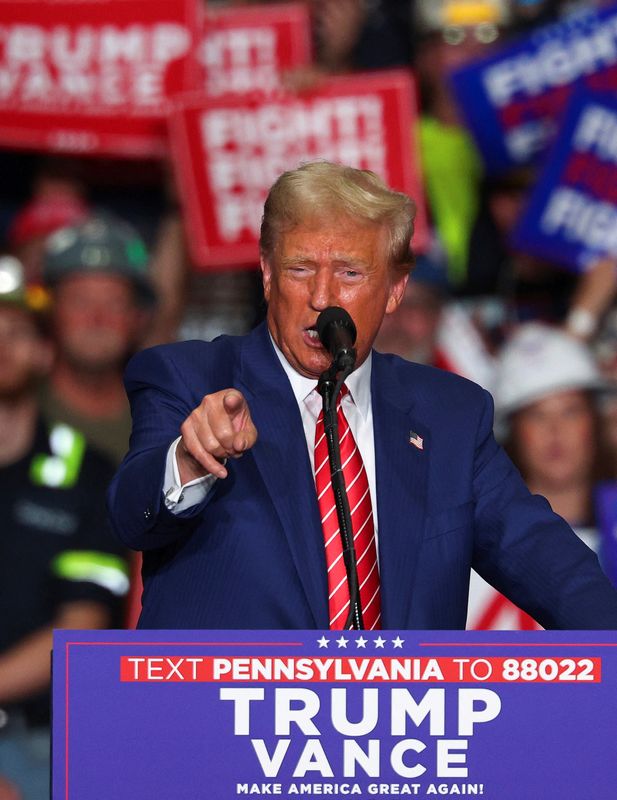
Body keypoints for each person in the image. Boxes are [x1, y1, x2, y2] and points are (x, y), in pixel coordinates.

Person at [108, 160, 617, 630]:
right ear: (267, 274)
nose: (322, 297)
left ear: (395, 288)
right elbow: (132, 514)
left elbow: (549, 563)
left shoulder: (450, 416)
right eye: (300, 268)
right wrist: (188, 461)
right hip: (227, 722)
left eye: (350, 273)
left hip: (400, 724)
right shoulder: (188, 375)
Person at [0, 256, 129, 799]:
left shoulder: (89, 473)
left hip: (39, 740)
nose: (0, 347)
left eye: (16, 334)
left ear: (45, 352)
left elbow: (82, 630)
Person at [40, 213, 155, 466]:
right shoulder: (17, 410)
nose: (97, 318)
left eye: (115, 304)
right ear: (52, 311)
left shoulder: (164, 418)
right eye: (80, 301)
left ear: (137, 318)